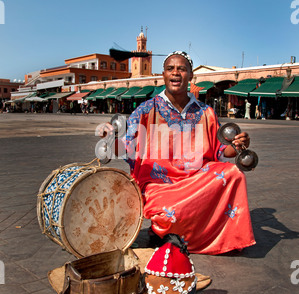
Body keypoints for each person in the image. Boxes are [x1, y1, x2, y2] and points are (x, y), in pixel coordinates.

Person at [100, 51, 256, 255]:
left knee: (233, 174)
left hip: (198, 179)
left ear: (191, 76)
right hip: (161, 184)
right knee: (167, 210)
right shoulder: (147, 110)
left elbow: (220, 150)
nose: (176, 73)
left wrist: (237, 145)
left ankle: (213, 237)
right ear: (163, 75)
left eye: (182, 69)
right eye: (170, 69)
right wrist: (112, 138)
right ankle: (166, 232)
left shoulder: (205, 112)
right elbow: (126, 147)